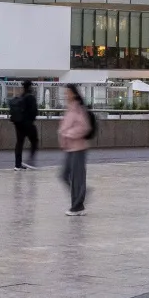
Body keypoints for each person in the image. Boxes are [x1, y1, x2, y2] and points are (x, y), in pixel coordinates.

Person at [60, 84, 93, 216]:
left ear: (73, 94)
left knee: (77, 178)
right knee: (64, 175)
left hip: (78, 148)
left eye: (67, 93)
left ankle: (78, 206)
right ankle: (80, 196)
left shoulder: (78, 108)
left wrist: (68, 134)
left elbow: (84, 127)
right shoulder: (70, 108)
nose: (65, 95)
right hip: (70, 148)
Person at [9, 79, 40, 169]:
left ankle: (17, 165)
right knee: (35, 141)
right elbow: (34, 112)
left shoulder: (21, 96)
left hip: (18, 124)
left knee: (19, 143)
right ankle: (30, 161)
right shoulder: (31, 97)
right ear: (30, 87)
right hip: (28, 124)